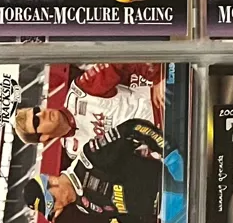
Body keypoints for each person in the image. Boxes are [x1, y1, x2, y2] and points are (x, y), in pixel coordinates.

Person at [12, 63, 165, 161]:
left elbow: (119, 62)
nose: (41, 114)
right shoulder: (77, 152)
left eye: (36, 110)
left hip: (162, 106)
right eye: (36, 121)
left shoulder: (81, 90)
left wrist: (158, 77)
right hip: (163, 144)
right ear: (43, 137)